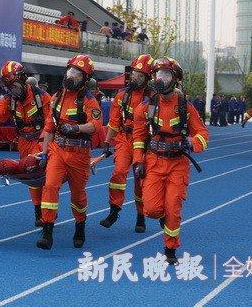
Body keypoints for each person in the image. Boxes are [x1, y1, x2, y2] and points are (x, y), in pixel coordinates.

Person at [132, 57, 209, 264]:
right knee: (151, 209)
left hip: (178, 164)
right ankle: (165, 218)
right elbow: (139, 136)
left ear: (175, 79)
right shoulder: (145, 108)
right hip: (154, 162)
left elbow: (202, 133)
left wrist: (192, 142)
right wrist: (138, 161)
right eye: (158, 74)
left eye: (166, 75)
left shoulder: (185, 106)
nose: (160, 79)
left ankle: (170, 249)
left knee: (173, 207)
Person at [36, 54, 102, 250]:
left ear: (85, 79)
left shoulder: (89, 100)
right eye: (70, 71)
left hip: (79, 153)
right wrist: (45, 153)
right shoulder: (56, 97)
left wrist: (77, 129)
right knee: (50, 186)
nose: (72, 75)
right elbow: (49, 127)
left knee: (78, 195)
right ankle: (47, 232)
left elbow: (96, 125)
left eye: (77, 73)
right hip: (57, 149)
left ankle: (80, 224)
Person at [0, 61, 52, 227]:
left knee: (43, 177)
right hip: (24, 141)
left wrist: (44, 145)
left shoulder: (42, 97)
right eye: (9, 87)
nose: (12, 90)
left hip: (41, 139)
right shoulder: (9, 100)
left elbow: (51, 121)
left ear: (23, 79)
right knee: (31, 178)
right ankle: (38, 211)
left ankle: (47, 214)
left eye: (14, 86)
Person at [100, 54, 154, 233]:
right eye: (134, 73)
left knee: (140, 181)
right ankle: (114, 211)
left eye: (140, 75)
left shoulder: (153, 98)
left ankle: (141, 217)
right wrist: (107, 141)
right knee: (118, 174)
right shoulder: (121, 96)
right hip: (124, 139)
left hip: (144, 142)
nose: (134, 78)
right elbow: (114, 122)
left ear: (148, 78)